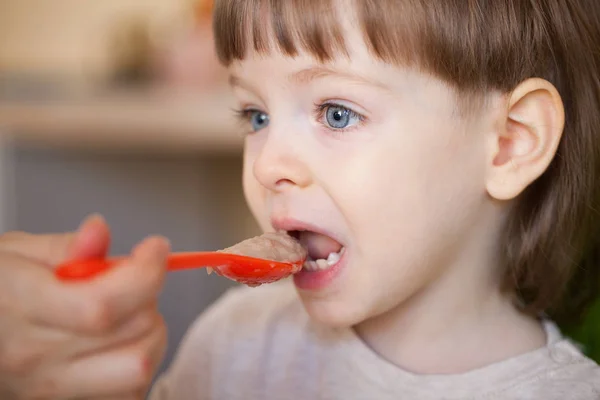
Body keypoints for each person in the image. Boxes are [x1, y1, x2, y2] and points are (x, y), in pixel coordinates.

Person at [1, 0, 600, 398]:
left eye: (336, 113)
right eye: (255, 115)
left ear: (509, 144)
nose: (267, 165)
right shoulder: (234, 346)